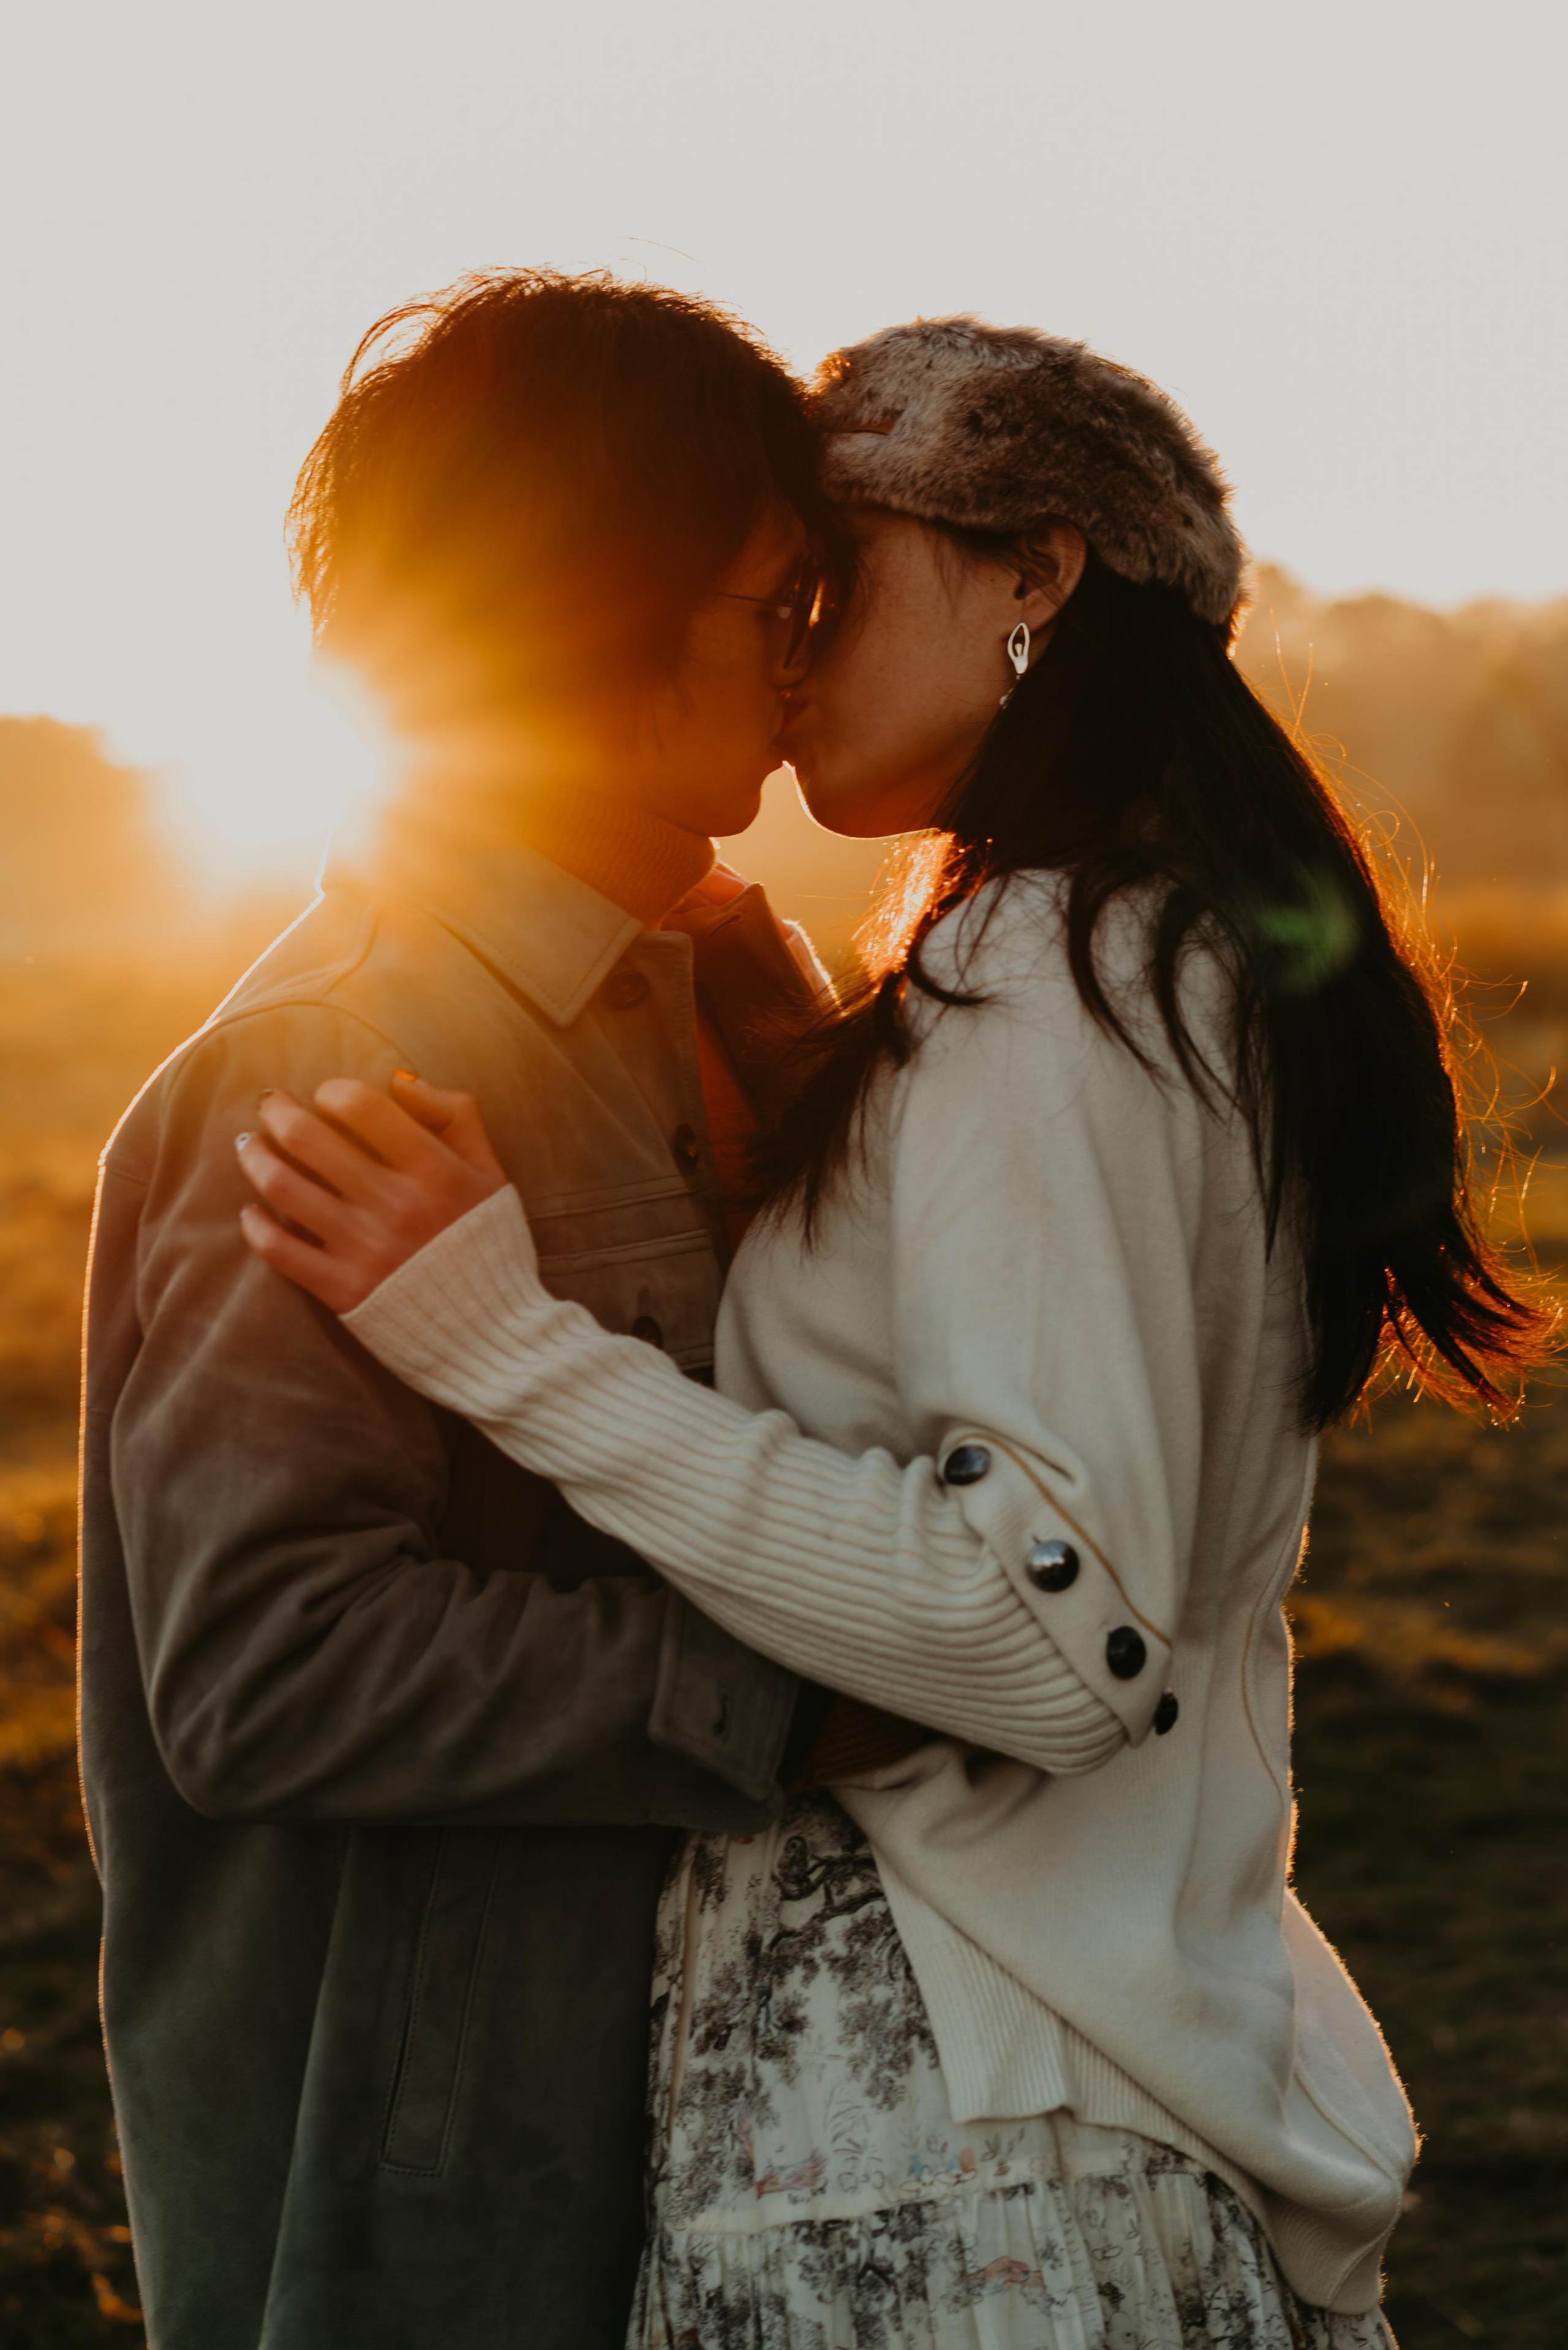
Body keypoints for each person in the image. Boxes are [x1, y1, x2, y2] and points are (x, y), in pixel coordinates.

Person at [238, 318, 1554, 2348]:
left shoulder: (1058, 961)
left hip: (957, 2124)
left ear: (1038, 572)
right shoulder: (1132, 941)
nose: (792, 649)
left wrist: (508, 1348)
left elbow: (1050, 1627)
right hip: (1039, 2070)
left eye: (834, 585)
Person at [78, 268, 864, 2350]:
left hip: (710, 2132)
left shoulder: (700, 997)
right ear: (594, 609)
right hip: (439, 2213)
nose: (814, 660)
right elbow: (265, 1668)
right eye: (777, 601)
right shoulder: (336, 1067)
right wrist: (798, 1697)